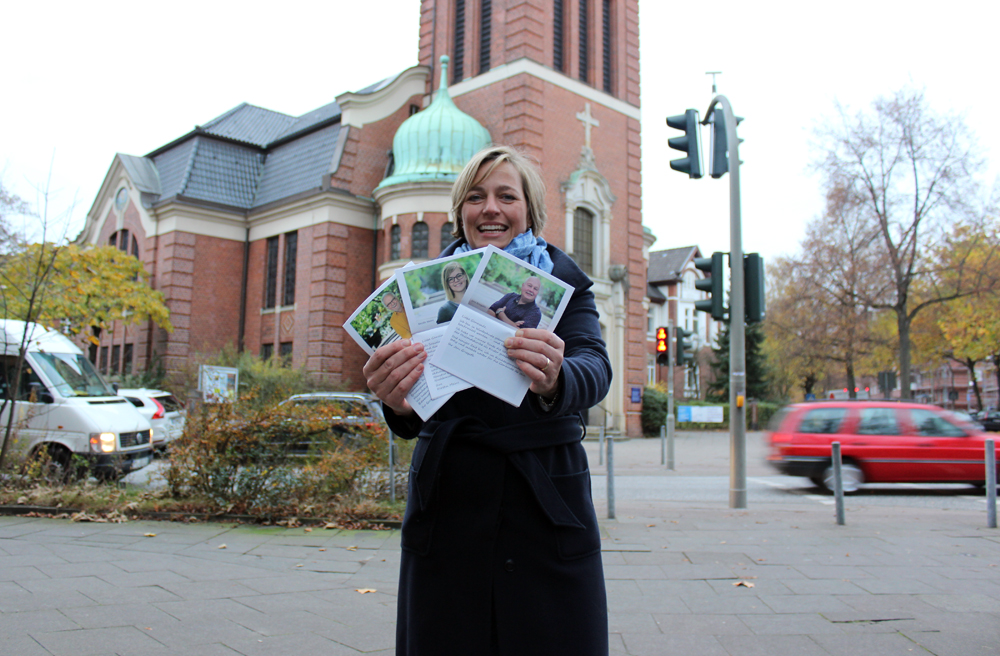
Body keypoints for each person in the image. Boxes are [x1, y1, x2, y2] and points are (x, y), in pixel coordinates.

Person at [364, 145, 612, 655]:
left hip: (543, 494)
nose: (490, 208)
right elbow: (410, 402)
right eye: (475, 197)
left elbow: (596, 366)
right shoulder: (425, 288)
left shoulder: (564, 285)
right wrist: (396, 402)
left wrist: (556, 378)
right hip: (449, 495)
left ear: (530, 211)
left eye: (506, 196)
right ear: (461, 213)